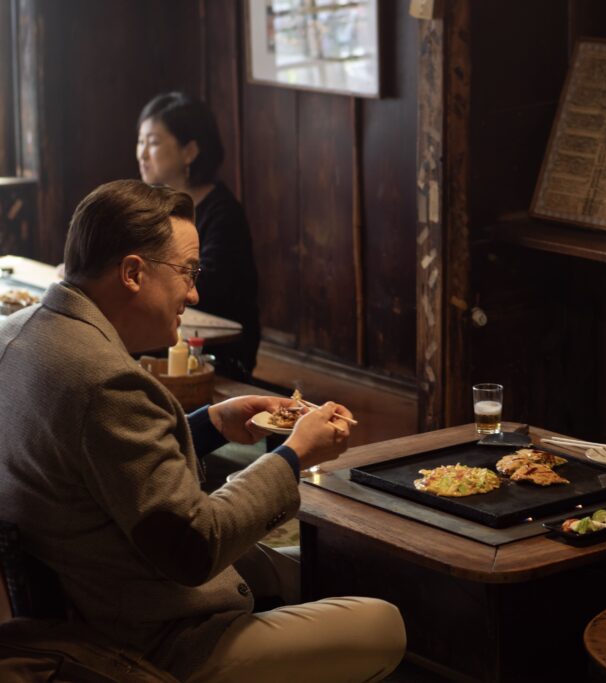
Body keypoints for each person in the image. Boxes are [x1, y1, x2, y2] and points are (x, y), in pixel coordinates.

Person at [0, 180, 405, 682]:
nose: (194, 293)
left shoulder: (15, 334)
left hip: (84, 598)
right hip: (149, 643)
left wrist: (211, 423)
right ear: (132, 273)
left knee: (328, 564)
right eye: (188, 272)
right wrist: (294, 455)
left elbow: (106, 466)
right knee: (385, 624)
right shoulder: (106, 383)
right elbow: (196, 546)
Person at [137, 92, 260, 380]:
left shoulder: (223, 212)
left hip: (216, 345)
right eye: (140, 141)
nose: (142, 153)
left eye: (153, 143)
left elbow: (208, 285)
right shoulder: (153, 203)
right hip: (167, 328)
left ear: (190, 151)